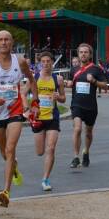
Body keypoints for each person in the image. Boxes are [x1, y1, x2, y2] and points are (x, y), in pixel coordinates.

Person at [0, 30, 39, 207]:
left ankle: (6, 191)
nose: (3, 42)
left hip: (15, 112)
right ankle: (14, 167)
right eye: (0, 40)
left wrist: (35, 102)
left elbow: (31, 80)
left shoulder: (20, 61)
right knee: (4, 153)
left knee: (10, 149)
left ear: (12, 43)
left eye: (7, 40)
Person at [64, 43, 108, 169]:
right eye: (81, 52)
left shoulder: (95, 69)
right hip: (76, 104)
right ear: (78, 54)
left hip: (91, 106)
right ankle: (76, 157)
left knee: (88, 132)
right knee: (77, 129)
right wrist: (68, 83)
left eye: (86, 52)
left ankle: (86, 152)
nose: (83, 54)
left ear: (90, 54)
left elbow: (105, 86)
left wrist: (94, 81)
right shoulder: (74, 70)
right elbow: (71, 83)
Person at [31, 51, 66, 191]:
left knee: (50, 149)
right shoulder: (35, 78)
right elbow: (23, 92)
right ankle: (45, 176)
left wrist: (59, 97)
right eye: (43, 61)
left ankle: (45, 179)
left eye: (48, 61)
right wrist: (29, 108)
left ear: (52, 62)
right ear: (40, 63)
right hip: (39, 117)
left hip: (53, 117)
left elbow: (64, 98)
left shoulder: (58, 79)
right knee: (40, 152)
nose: (45, 64)